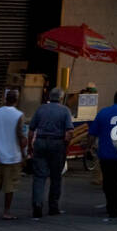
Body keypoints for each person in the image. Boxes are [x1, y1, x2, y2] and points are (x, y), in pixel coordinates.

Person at [28, 86, 75, 219]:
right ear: (61, 98)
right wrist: (66, 145)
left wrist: (30, 146)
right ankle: (53, 207)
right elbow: (69, 132)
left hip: (41, 142)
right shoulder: (65, 110)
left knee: (39, 176)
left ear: (49, 97)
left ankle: (37, 204)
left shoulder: (41, 108)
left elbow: (31, 130)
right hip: (57, 143)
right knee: (56, 176)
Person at [88, 89, 117, 221]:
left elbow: (93, 133)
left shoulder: (103, 112)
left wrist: (88, 146)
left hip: (106, 153)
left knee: (109, 181)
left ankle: (111, 205)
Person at [0, 87, 25, 220]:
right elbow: (20, 135)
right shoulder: (18, 115)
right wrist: (24, 155)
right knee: (10, 186)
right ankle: (6, 212)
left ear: (5, 99)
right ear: (16, 100)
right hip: (12, 156)